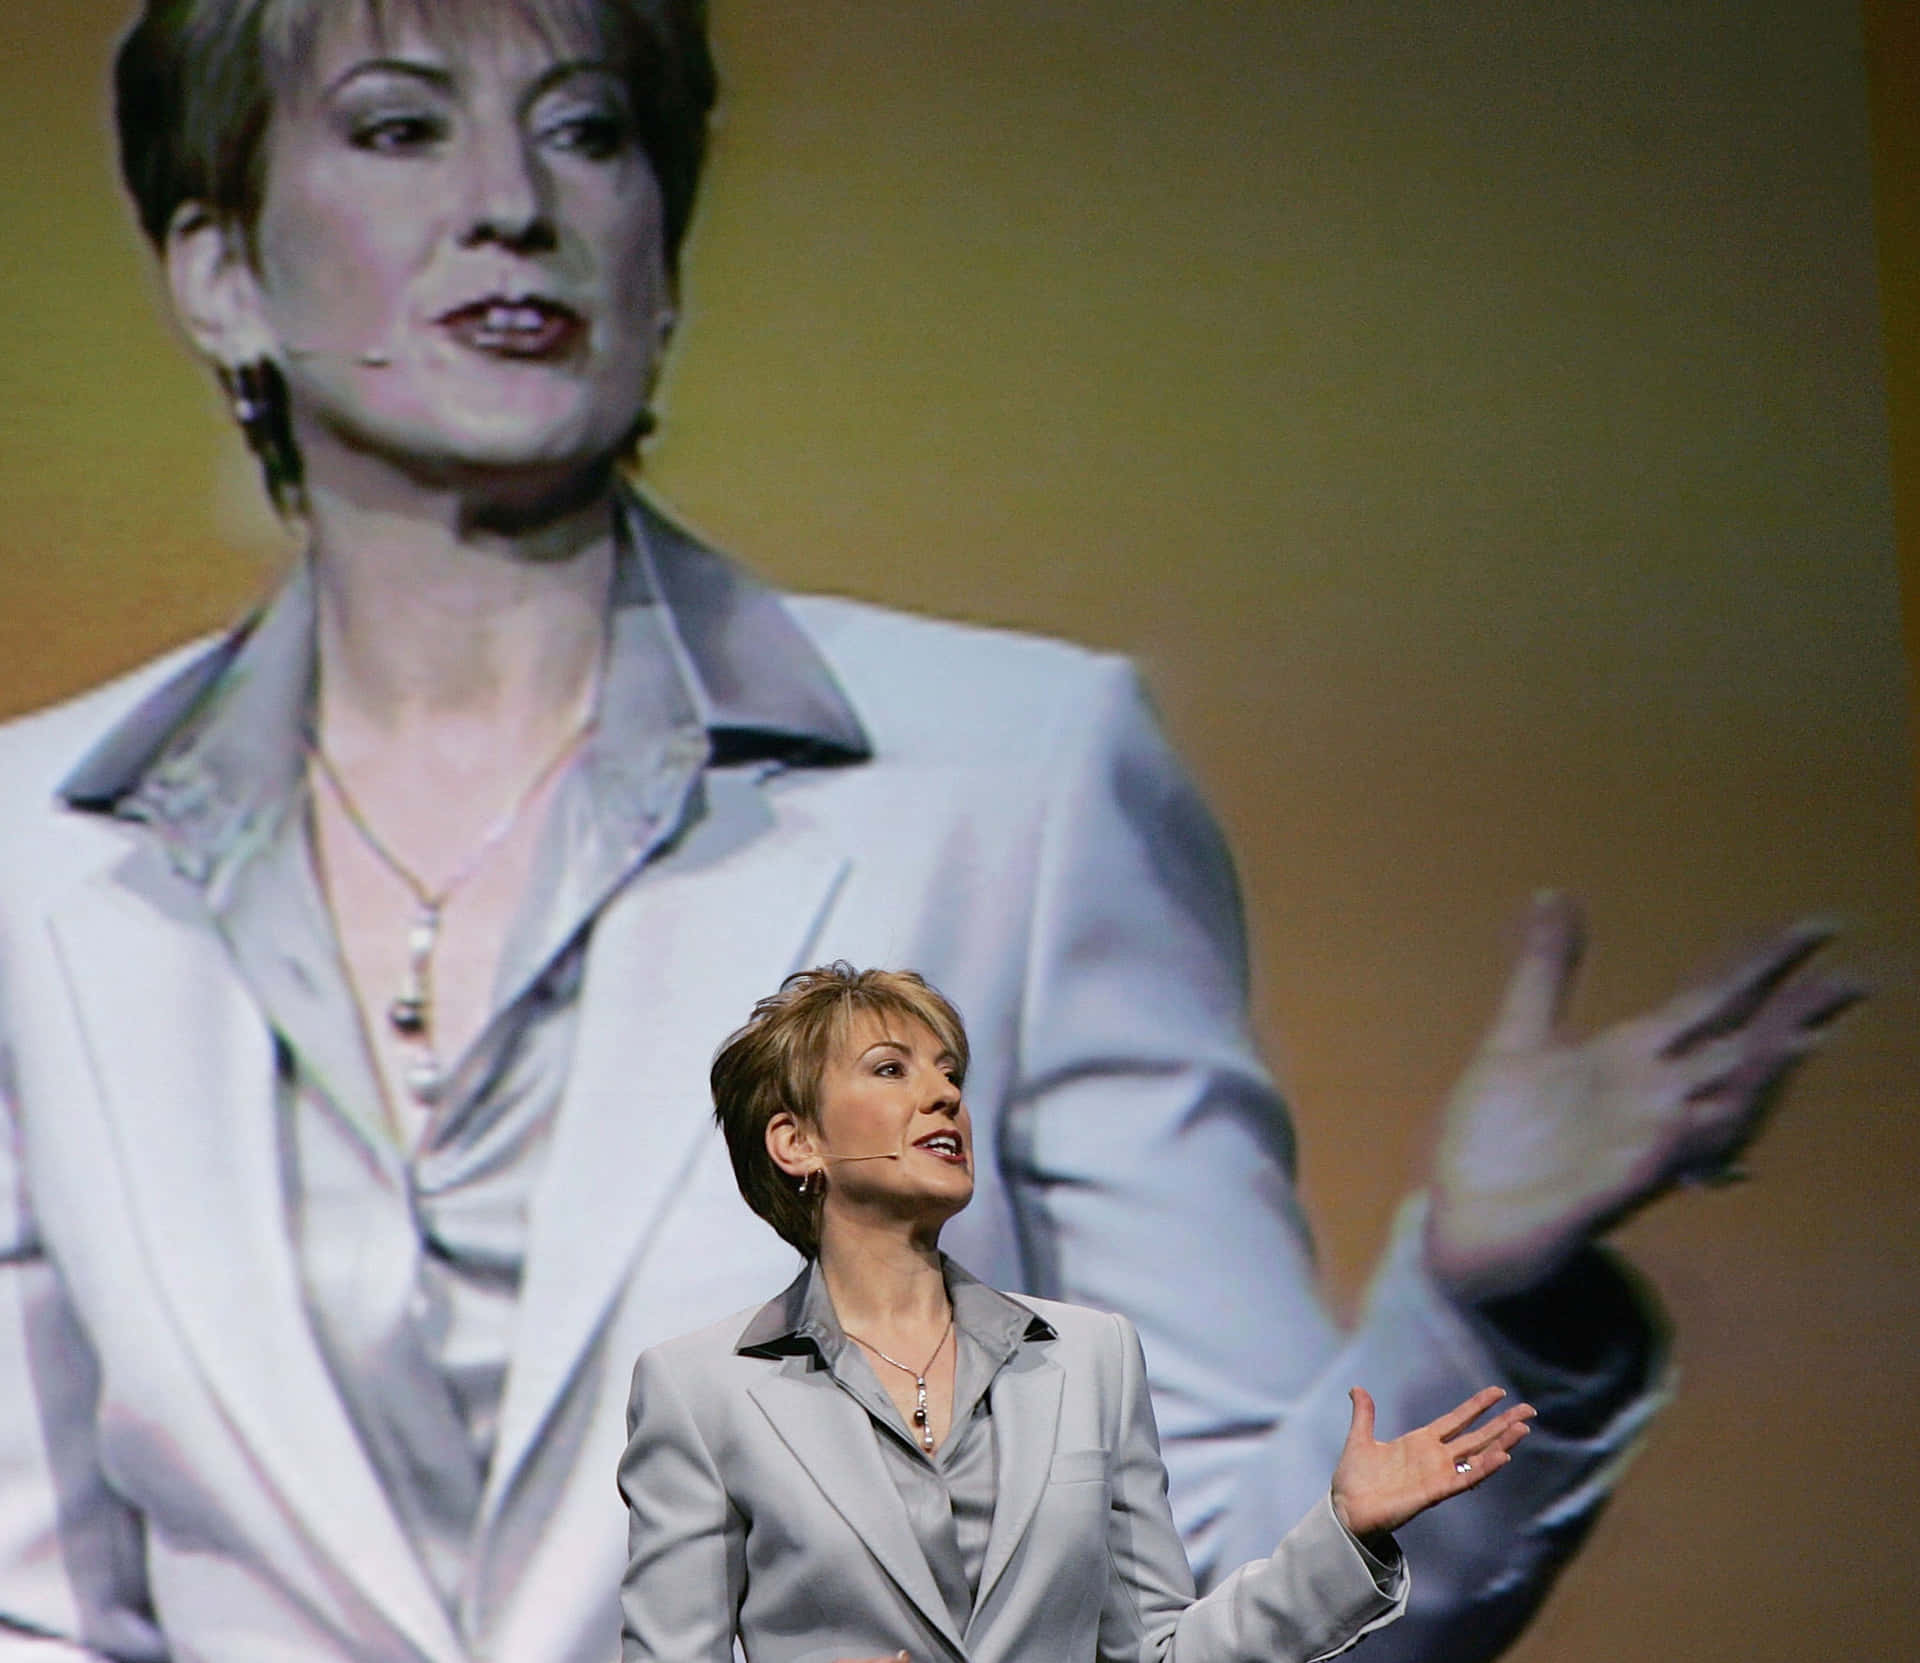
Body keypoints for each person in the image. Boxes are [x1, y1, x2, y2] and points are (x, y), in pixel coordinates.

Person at [0, 1, 1855, 1660]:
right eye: (402, 126)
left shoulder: (1012, 781)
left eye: (587, 128)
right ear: (218, 270)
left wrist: (1483, 1299)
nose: (516, 201)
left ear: (664, 255)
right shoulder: (36, 855)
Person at [619, 964, 1536, 1663]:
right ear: (796, 1140)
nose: (943, 1095)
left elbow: (1159, 1650)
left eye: (950, 1073)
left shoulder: (1090, 1358)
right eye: (890, 1068)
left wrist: (1346, 1533)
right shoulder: (703, 1391)